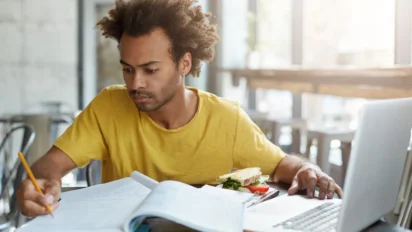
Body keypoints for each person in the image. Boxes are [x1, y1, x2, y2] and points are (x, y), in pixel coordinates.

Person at [17, 0, 343, 218]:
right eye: (127, 69)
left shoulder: (226, 120)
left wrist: (306, 171)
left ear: (184, 63)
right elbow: (50, 166)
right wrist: (41, 182)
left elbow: (283, 165)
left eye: (150, 69)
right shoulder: (109, 107)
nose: (135, 83)